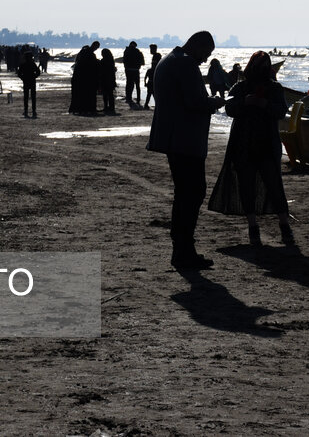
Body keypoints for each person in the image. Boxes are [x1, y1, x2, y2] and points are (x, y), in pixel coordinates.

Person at [147, 31, 226, 270]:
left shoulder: (169, 60)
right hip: (184, 139)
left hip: (174, 137)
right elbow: (195, 102)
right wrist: (215, 102)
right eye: (206, 53)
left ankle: (182, 249)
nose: (205, 59)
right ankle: (183, 250)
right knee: (192, 193)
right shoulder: (185, 64)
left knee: (185, 193)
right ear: (197, 45)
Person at [208, 51, 294, 246]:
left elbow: (281, 111)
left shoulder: (275, 89)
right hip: (243, 142)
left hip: (266, 143)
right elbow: (229, 108)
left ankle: (283, 225)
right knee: (246, 185)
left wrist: (264, 104)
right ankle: (253, 226)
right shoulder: (240, 88)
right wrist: (245, 102)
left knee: (274, 185)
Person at [17, 51, 41, 118]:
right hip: (32, 81)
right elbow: (38, 72)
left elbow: (19, 74)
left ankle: (26, 111)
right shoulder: (32, 64)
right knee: (33, 97)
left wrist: (23, 78)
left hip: (26, 81)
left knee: (26, 97)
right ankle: (33, 111)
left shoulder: (23, 64)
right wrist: (34, 76)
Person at [122, 41, 144, 107]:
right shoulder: (138, 52)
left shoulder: (126, 51)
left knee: (129, 84)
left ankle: (128, 98)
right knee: (137, 85)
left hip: (128, 70)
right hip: (136, 70)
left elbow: (124, 60)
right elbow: (142, 62)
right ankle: (138, 99)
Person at [100, 48, 118, 114]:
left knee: (105, 94)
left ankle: (106, 107)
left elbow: (101, 70)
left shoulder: (103, 61)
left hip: (104, 79)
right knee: (110, 94)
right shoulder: (111, 60)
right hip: (111, 79)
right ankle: (111, 107)